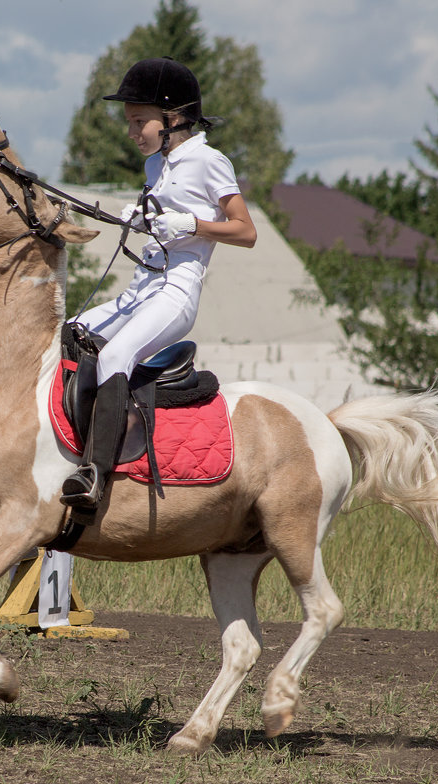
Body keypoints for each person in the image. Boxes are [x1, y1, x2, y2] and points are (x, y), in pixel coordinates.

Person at [60, 56, 257, 513]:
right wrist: (143, 219)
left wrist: (193, 225)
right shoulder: (156, 166)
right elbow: (160, 225)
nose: (131, 132)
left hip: (177, 291)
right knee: (69, 333)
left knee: (114, 355)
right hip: (140, 289)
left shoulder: (209, 160)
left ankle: (94, 474)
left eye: (138, 121)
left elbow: (245, 232)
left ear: (173, 118)